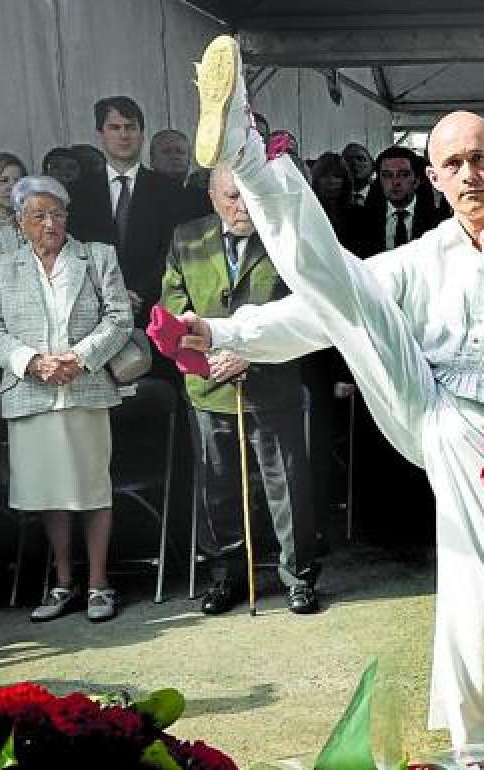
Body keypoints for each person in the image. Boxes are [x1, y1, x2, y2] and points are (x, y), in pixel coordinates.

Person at [185, 35, 484, 748]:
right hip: (422, 397)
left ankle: (474, 741)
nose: (468, 174)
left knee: (478, 584)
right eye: (453, 164)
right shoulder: (421, 256)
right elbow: (322, 309)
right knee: (349, 291)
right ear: (433, 179)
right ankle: (248, 151)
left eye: (479, 159)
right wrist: (225, 333)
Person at [161, 165, 320, 615]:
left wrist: (251, 350)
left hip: (271, 382)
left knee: (286, 484)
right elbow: (173, 304)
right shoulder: (187, 238)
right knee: (218, 487)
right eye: (231, 197)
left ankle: (299, 575)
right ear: (213, 197)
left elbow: (305, 306)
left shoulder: (285, 237)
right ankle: (228, 574)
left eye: (248, 196)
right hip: (209, 384)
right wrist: (205, 351)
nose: (241, 206)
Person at [0, 175, 133, 623]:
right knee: (50, 495)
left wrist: (79, 358)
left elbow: (120, 319)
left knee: (92, 488)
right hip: (31, 391)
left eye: (57, 213)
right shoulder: (0, 268)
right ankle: (64, 582)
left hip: (84, 389)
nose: (50, 223)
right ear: (21, 222)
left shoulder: (98, 257)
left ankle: (100, 583)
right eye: (38, 215)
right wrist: (32, 361)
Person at [66, 96, 187, 326]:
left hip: (155, 310)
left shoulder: (169, 191)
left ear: (142, 134)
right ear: (100, 134)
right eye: (115, 127)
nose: (124, 135)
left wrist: (137, 292)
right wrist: (110, 295)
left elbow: (173, 250)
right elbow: (73, 250)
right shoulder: (77, 193)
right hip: (95, 313)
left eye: (131, 127)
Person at [347, 146, 448, 257]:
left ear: (416, 181)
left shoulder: (439, 222)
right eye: (387, 175)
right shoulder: (361, 222)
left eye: (403, 175)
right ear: (379, 181)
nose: (395, 182)